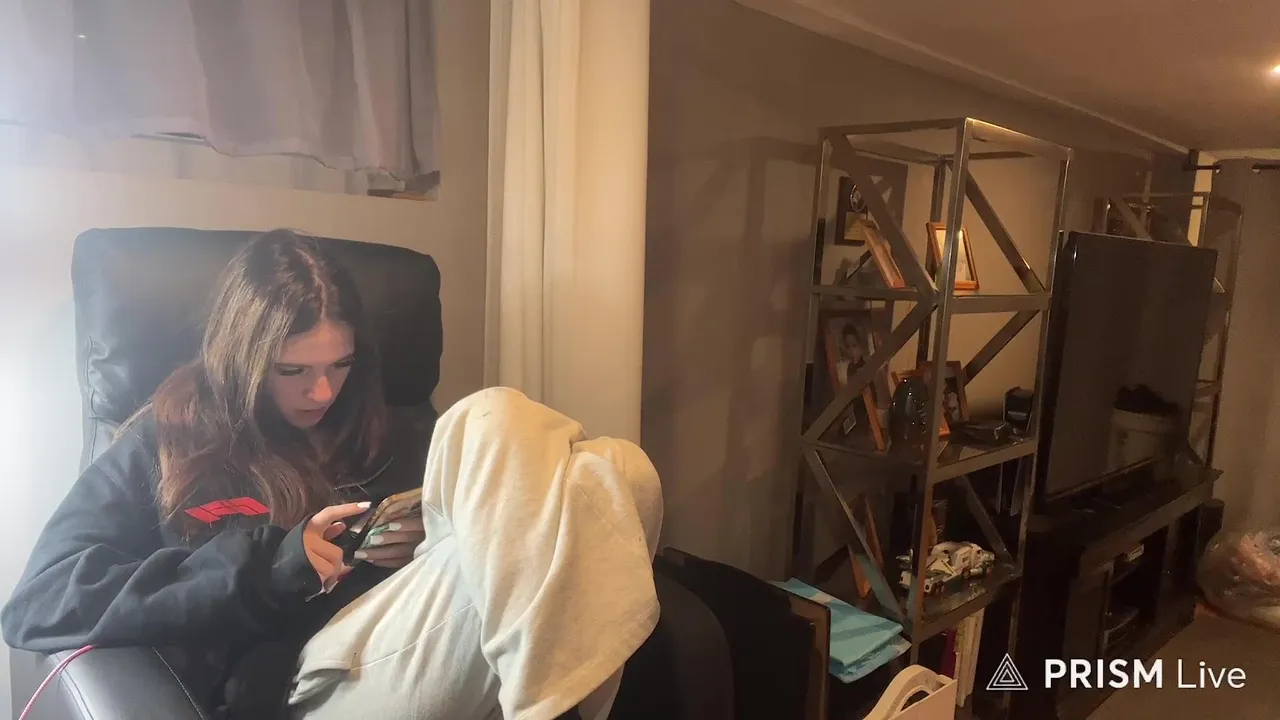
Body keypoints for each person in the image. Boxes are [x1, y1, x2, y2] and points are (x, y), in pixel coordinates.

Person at [1, 230, 663, 719]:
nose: (321, 392)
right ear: (242, 357)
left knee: (618, 469)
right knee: (492, 414)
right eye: (292, 371)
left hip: (424, 633)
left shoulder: (390, 428)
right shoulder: (171, 436)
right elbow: (40, 601)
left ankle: (545, 703)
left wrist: (419, 543)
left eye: (339, 366)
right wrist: (271, 567)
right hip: (300, 681)